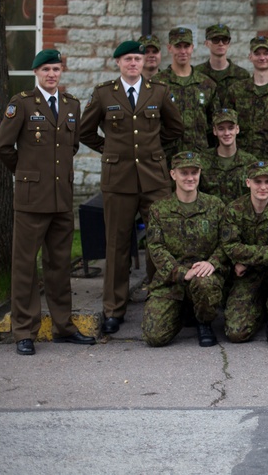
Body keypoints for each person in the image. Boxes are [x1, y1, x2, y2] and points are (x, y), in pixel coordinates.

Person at [0, 49, 97, 355]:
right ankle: (24, 331)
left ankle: (64, 326)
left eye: (56, 69)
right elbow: (2, 146)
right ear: (36, 72)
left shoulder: (71, 105)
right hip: (31, 200)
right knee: (25, 267)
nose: (52, 74)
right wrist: (26, 173)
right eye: (46, 69)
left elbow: (72, 146)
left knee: (59, 265)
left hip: (61, 199)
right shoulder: (22, 103)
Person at [79, 39, 184, 334]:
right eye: (127, 60)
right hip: (118, 179)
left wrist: (153, 151)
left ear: (144, 63)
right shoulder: (103, 94)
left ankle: (158, 299)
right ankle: (114, 308)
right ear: (118, 63)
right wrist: (110, 150)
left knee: (158, 242)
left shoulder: (158, 92)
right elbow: (86, 131)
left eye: (138, 59)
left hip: (153, 179)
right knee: (116, 244)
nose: (133, 64)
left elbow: (176, 128)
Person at [141, 151, 226, 348]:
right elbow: (156, 247)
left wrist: (211, 263)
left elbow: (226, 243)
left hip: (204, 274)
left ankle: (203, 322)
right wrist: (181, 273)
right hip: (172, 279)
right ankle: (182, 311)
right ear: (173, 174)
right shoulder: (159, 209)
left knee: (204, 284)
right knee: (155, 337)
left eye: (194, 172)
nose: (190, 178)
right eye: (184, 173)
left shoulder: (215, 206)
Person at [221, 161, 268, 349]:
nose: (263, 187)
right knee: (236, 333)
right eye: (257, 182)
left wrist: (247, 259)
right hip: (248, 275)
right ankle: (259, 308)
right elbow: (230, 247)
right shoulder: (234, 209)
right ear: (248, 182)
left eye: (267, 181)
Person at [153, 26, 220, 152]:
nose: (183, 51)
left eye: (186, 46)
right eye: (178, 46)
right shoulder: (157, 83)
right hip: (167, 156)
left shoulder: (207, 84)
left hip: (199, 156)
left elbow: (215, 124)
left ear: (192, 48)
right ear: (169, 48)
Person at [199, 108, 259, 204]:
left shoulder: (250, 162)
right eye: (221, 129)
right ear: (214, 131)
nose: (227, 133)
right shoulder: (203, 160)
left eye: (230, 128)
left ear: (237, 129)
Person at [195, 23, 251, 106]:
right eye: (215, 39)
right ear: (207, 43)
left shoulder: (241, 75)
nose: (220, 43)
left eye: (225, 40)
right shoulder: (197, 73)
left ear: (229, 43)